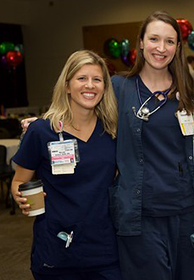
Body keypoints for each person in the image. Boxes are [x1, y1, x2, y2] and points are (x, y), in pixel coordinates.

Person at [11, 50, 122, 280]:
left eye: (97, 79)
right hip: (57, 250)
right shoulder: (41, 131)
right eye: (82, 78)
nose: (89, 85)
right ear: (67, 85)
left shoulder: (112, 131)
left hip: (105, 250)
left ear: (104, 87)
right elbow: (19, 181)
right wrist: (20, 197)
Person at [109, 11, 194, 280]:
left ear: (178, 48)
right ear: (141, 42)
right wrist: (45, 123)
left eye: (170, 42)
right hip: (140, 213)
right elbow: (84, 117)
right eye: (154, 39)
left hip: (186, 210)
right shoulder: (119, 88)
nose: (161, 48)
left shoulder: (190, 89)